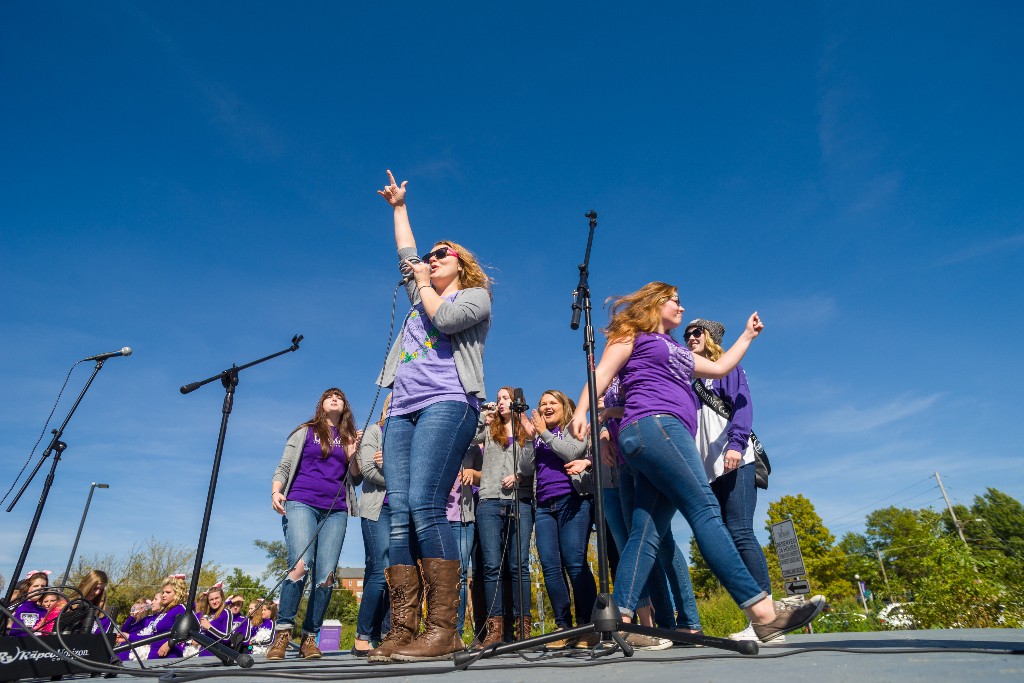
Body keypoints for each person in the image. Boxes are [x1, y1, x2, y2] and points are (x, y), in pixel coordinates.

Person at [570, 282, 825, 643]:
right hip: (657, 425)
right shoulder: (634, 335)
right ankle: (763, 612)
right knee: (705, 507)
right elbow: (602, 374)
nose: (682, 308)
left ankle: (621, 622)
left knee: (646, 530)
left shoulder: (676, 348)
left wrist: (747, 336)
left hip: (658, 434)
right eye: (675, 301)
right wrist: (583, 411)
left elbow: (721, 367)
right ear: (655, 302)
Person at [370, 170, 492, 663]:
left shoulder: (474, 298)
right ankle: (403, 628)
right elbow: (406, 253)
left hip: (449, 402)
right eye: (430, 254)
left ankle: (445, 629)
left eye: (442, 254)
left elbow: (443, 321)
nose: (431, 259)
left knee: (424, 505)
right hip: (402, 409)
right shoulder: (419, 285)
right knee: (398, 516)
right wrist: (399, 207)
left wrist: (424, 281)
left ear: (461, 264)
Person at [685, 318, 779, 643]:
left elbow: (743, 407)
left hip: (736, 458)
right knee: (723, 540)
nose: (689, 337)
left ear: (710, 336)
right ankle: (759, 618)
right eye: (686, 334)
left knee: (740, 531)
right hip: (708, 468)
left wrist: (736, 444)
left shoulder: (728, 369)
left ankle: (768, 620)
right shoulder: (690, 380)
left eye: (696, 331)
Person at [269, 388, 361, 660]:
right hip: (301, 502)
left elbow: (355, 479)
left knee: (326, 577)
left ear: (344, 406)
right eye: (329, 396)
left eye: (339, 396)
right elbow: (284, 466)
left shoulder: (348, 438)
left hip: (335, 509)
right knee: (300, 565)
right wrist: (276, 491)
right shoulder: (305, 431)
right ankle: (283, 633)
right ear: (321, 403)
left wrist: (353, 455)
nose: (334, 398)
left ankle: (310, 637)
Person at [519, 390, 597, 647]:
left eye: (552, 403)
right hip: (543, 507)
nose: (546, 407)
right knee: (550, 567)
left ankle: (588, 626)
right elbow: (526, 469)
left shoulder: (574, 428)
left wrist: (543, 434)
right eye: (542, 404)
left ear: (564, 407)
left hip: (572, 500)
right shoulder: (538, 437)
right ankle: (564, 628)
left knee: (574, 562)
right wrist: (531, 439)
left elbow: (572, 453)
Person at [471, 387, 535, 647]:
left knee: (518, 565)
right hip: (489, 499)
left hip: (519, 501)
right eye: (498, 400)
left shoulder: (526, 429)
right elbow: (470, 437)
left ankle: (523, 629)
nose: (500, 403)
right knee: (491, 566)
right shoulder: (490, 429)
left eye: (505, 398)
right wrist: (480, 414)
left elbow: (530, 464)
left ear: (517, 402)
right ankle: (494, 629)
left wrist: (519, 476)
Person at [353, 397, 392, 656]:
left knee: (396, 574)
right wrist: (398, 478)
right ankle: (362, 636)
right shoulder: (373, 432)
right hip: (377, 509)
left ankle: (386, 633)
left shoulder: (408, 434)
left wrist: (387, 464)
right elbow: (367, 469)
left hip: (402, 511)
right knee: (382, 569)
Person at [446, 444, 482, 640]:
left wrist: (473, 473)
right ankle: (436, 630)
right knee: (436, 578)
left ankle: (456, 634)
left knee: (460, 576)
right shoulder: (435, 441)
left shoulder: (473, 448)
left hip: (464, 519)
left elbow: (486, 476)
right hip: (437, 518)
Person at [136, 577, 188, 659]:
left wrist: (170, 643)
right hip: (154, 656)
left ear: (178, 593)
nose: (163, 595)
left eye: (168, 592)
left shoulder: (181, 608)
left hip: (170, 658)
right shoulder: (165, 611)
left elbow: (192, 628)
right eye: (163, 592)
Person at [7, 570, 50, 636]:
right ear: (27, 587)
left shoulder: (44, 611)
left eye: (43, 586)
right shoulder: (13, 608)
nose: (39, 589)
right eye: (36, 586)